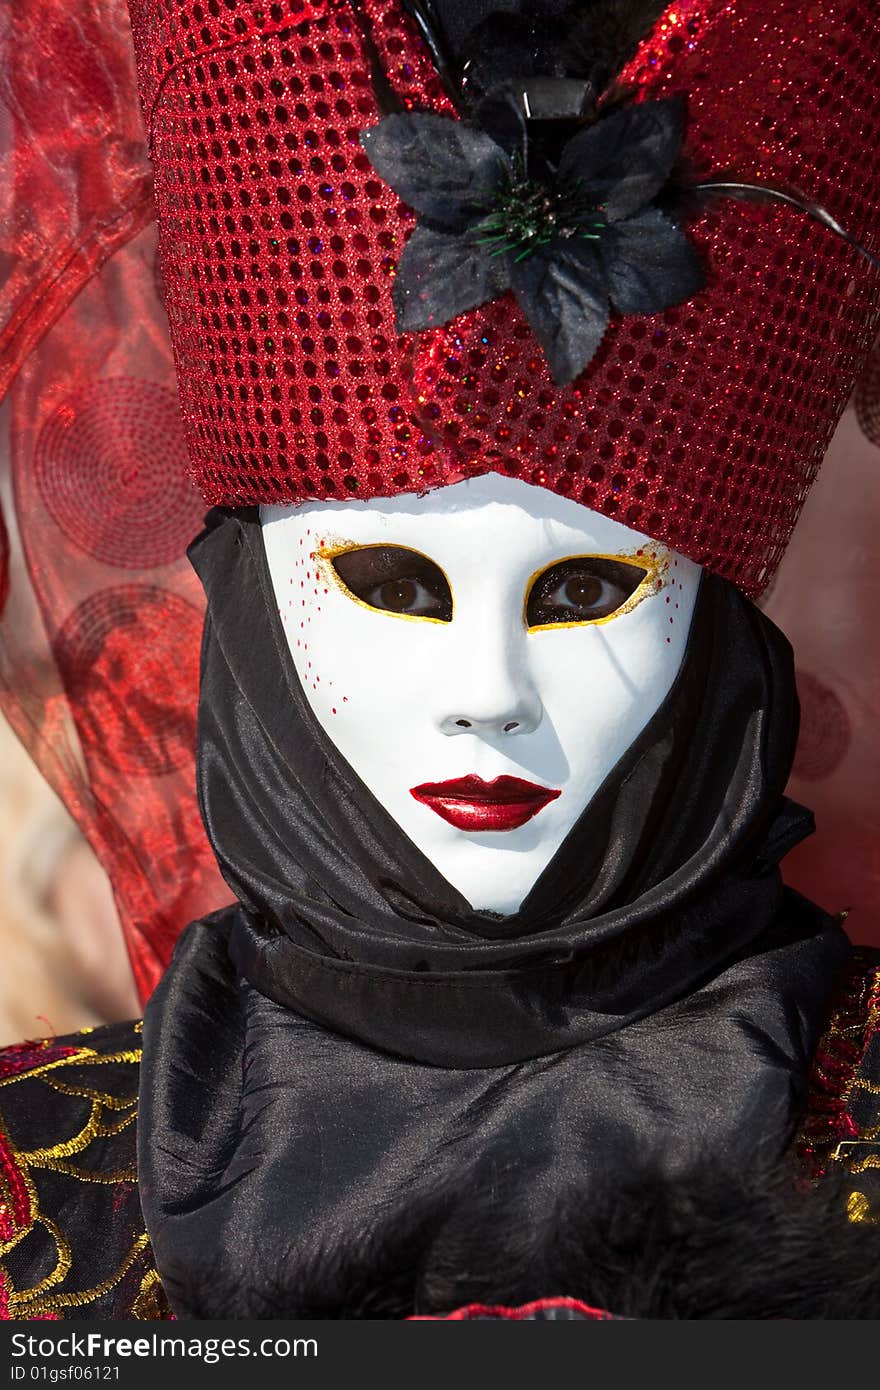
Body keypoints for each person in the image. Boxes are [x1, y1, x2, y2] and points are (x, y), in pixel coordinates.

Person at [1, 0, 880, 1322]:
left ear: (718, 643)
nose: (489, 697)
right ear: (245, 604)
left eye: (586, 592)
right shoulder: (30, 1171)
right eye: (393, 584)